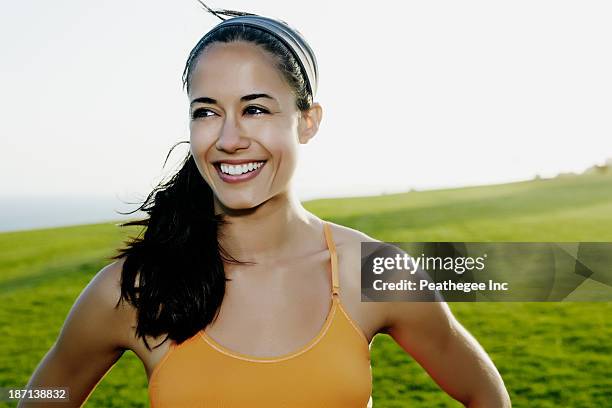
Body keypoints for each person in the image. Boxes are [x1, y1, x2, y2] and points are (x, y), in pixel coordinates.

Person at [20, 5, 511, 408]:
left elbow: (484, 394)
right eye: (207, 112)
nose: (229, 138)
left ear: (307, 121)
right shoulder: (136, 287)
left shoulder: (375, 273)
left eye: (255, 109)